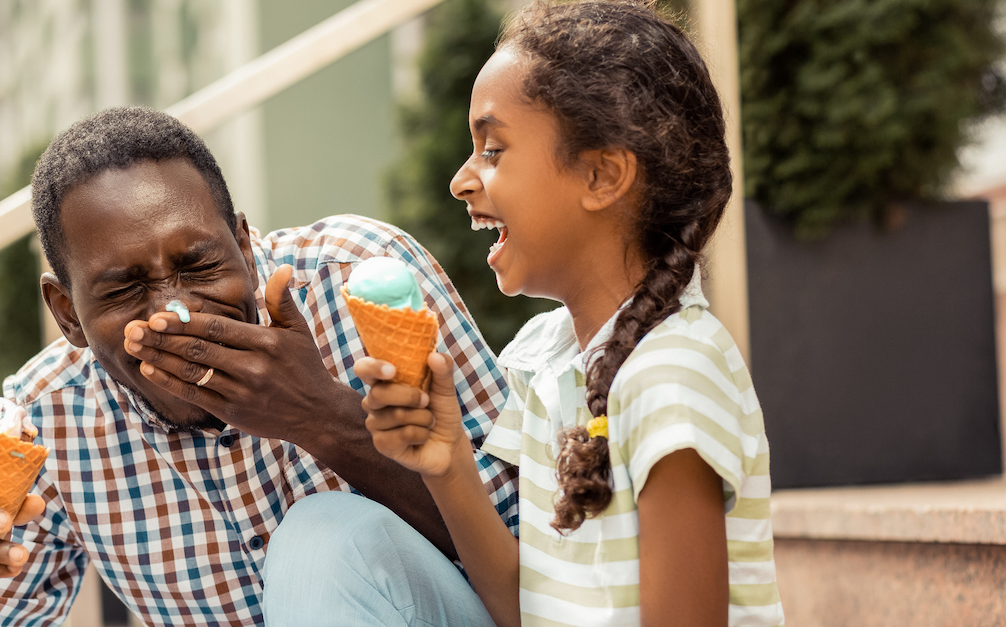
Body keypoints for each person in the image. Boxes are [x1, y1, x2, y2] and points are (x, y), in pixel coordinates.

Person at [0, 106, 517, 626]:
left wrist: (324, 422)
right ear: (67, 314)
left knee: (324, 538)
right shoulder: (48, 420)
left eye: (198, 266)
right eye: (123, 289)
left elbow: (537, 548)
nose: (173, 313)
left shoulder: (360, 282)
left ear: (244, 244)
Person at [265, 2, 785, 626]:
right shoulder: (544, 357)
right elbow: (524, 608)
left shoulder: (675, 375)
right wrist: (448, 456)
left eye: (493, 148)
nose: (462, 179)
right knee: (321, 532)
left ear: (601, 174)